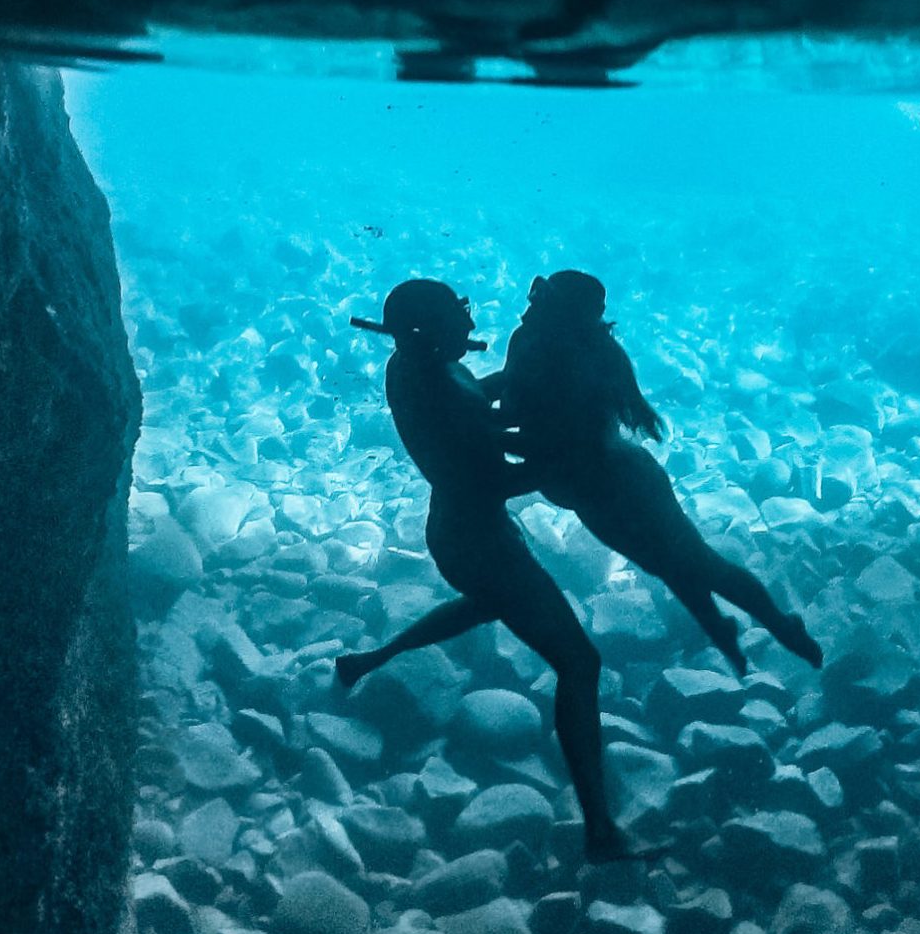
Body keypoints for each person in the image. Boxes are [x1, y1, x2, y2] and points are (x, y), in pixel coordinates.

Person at [338, 279, 636, 862]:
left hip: (459, 532)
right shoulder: (438, 387)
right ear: (429, 334)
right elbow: (490, 473)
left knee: (488, 603)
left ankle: (368, 661)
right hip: (479, 540)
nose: (468, 322)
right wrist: (571, 452)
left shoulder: (414, 367)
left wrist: (524, 387)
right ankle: (600, 830)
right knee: (579, 661)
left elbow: (476, 413)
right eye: (456, 315)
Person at [491, 270, 824, 676]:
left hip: (619, 487)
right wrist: (465, 400)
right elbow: (512, 395)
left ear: (563, 313)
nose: (529, 304)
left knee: (699, 564)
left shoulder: (585, 363)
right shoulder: (528, 341)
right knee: (668, 565)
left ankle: (778, 625)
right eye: (535, 294)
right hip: (591, 489)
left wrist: (471, 429)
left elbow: (560, 444)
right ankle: (722, 629)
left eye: (541, 299)